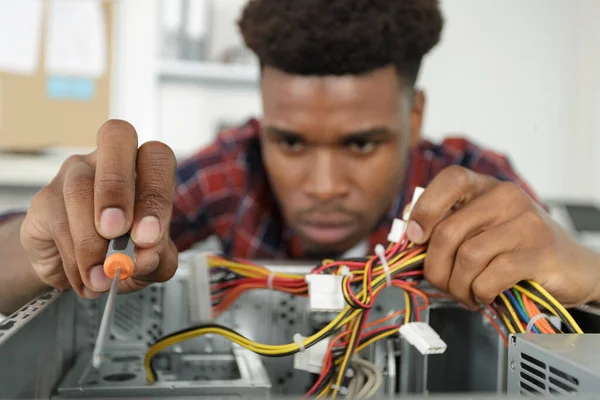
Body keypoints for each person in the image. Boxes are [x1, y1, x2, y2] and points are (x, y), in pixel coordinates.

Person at [1, 0, 599, 317]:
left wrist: (590, 272)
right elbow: (68, 245)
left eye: (361, 143)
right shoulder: (230, 174)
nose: (322, 186)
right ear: (261, 116)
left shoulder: (477, 185)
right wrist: (46, 246)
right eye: (289, 141)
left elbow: (561, 284)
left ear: (414, 117)